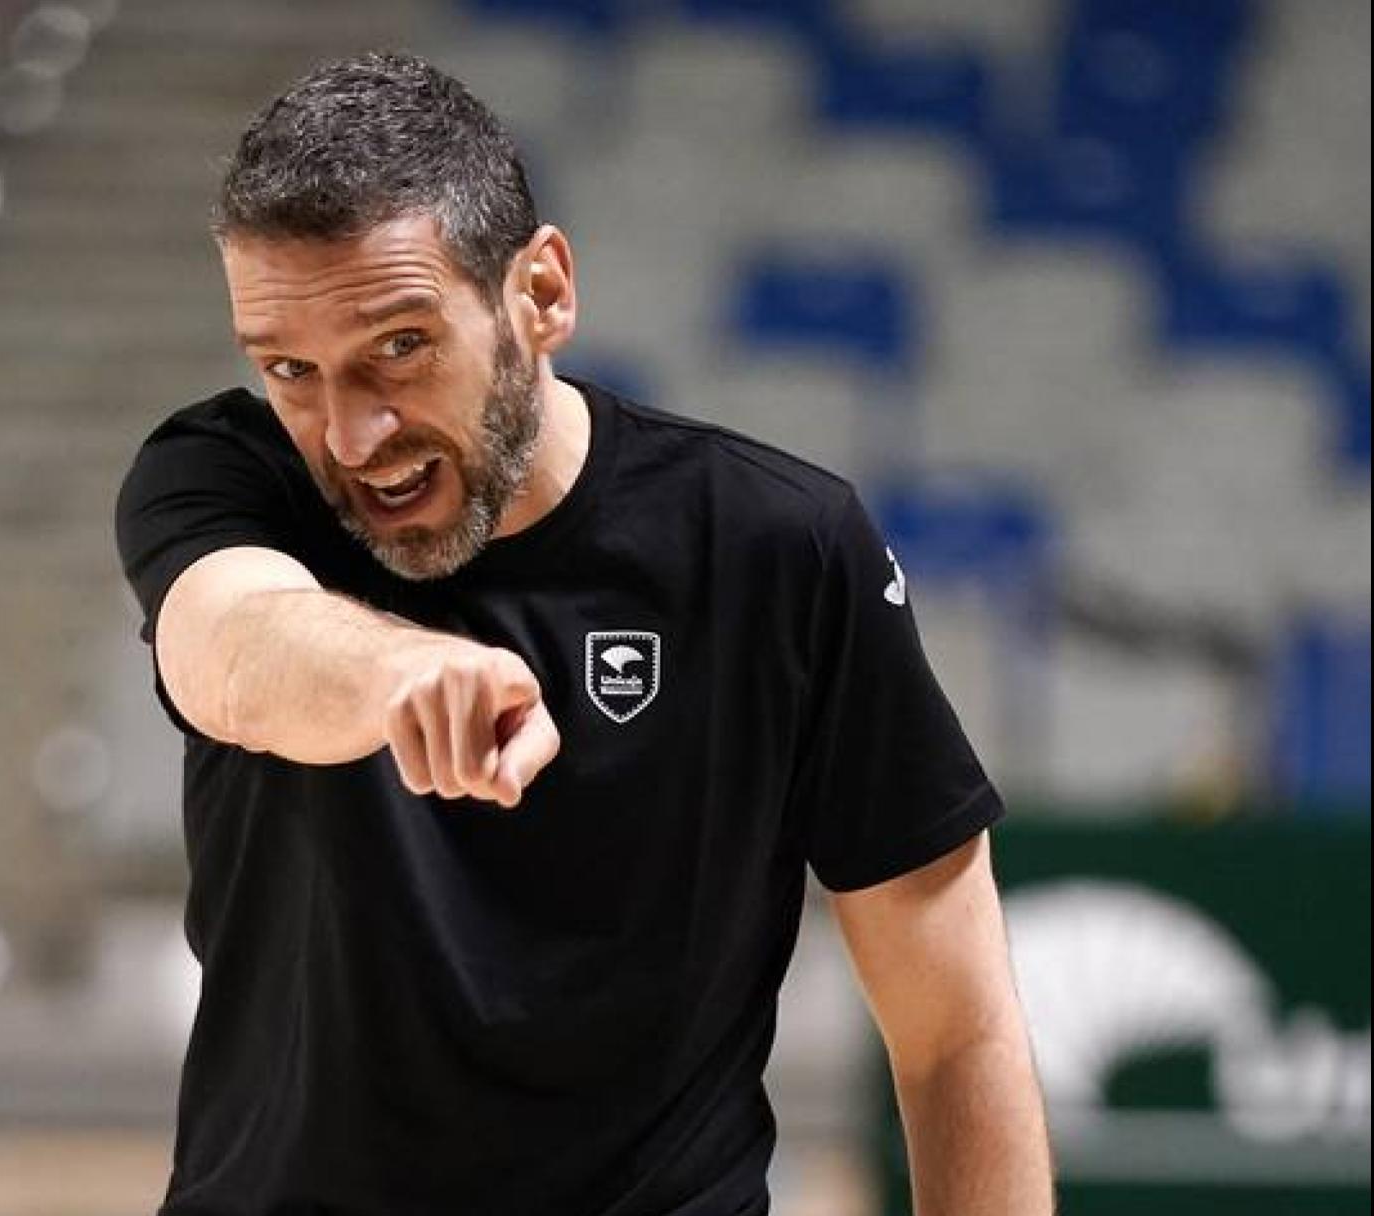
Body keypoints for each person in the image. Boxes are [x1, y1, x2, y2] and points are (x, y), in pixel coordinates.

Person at [114, 51, 1053, 1216]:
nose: (351, 435)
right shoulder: (222, 475)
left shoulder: (779, 544)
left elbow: (955, 1029)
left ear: (542, 292)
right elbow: (233, 645)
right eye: (291, 370)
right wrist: (406, 669)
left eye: (400, 347)